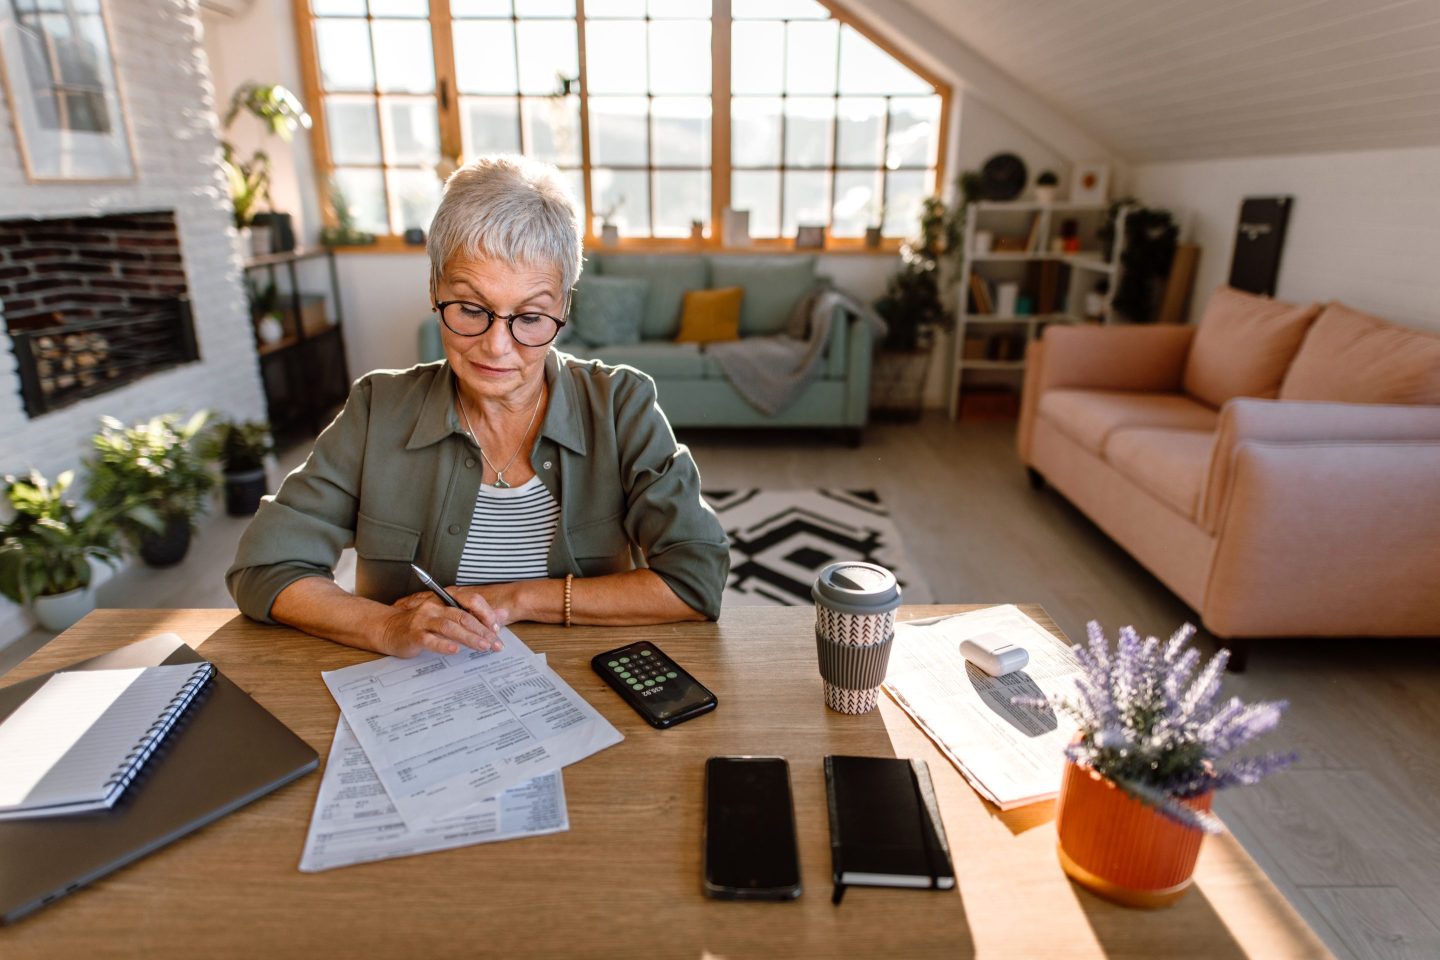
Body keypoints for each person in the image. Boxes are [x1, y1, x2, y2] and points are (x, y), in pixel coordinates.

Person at [227, 155, 729, 657]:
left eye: (530, 317)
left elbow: (695, 578)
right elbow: (264, 567)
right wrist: (382, 627)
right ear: (434, 290)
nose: (496, 347)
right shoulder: (377, 410)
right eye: (470, 309)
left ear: (563, 309)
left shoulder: (622, 407)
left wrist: (517, 598)